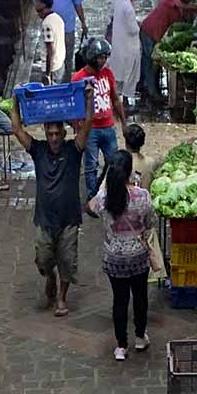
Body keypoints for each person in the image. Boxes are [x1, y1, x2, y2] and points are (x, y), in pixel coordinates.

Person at [9, 88, 91, 317]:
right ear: (45, 133)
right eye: (50, 134)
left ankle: (61, 298)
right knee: (43, 260)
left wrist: (89, 99)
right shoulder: (39, 150)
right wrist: (15, 102)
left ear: (64, 134)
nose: (54, 138)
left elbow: (88, 124)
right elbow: (16, 129)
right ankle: (49, 277)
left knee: (67, 260)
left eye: (57, 134)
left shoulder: (73, 150)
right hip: (45, 219)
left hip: (69, 219)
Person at [87, 148, 158, 361]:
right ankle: (140, 337)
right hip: (138, 257)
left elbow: (90, 208)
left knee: (119, 300)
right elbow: (150, 222)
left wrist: (103, 187)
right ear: (129, 171)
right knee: (140, 297)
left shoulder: (104, 198)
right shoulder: (142, 196)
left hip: (114, 258)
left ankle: (121, 346)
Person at [71, 37, 128, 200]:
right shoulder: (79, 78)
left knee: (113, 162)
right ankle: (92, 196)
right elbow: (75, 105)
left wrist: (124, 123)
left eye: (105, 57)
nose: (103, 61)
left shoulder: (108, 74)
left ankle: (110, 190)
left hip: (108, 126)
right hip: (90, 130)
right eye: (100, 58)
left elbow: (115, 99)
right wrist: (77, 127)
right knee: (91, 165)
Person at [138, 0, 197, 106]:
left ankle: (146, 88)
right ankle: (151, 93)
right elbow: (184, 6)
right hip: (149, 31)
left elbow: (195, 11)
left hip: (156, 34)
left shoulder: (183, 5)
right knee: (149, 63)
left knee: (152, 63)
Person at [34, 0, 87, 75]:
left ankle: (66, 81)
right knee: (52, 56)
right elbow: (37, 1)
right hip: (51, 28)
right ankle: (51, 77)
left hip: (67, 28)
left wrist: (83, 23)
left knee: (67, 59)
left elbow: (78, 4)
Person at [107, 0, 143, 110]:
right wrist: (139, 26)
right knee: (129, 74)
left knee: (118, 74)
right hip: (129, 47)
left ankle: (116, 101)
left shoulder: (119, 2)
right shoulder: (128, 8)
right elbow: (133, 29)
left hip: (119, 46)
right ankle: (125, 103)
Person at [33, 0, 67, 82]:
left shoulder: (47, 24)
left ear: (43, 4)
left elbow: (50, 50)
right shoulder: (57, 17)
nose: (34, 3)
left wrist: (48, 74)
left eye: (36, 0)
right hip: (60, 63)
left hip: (53, 69)